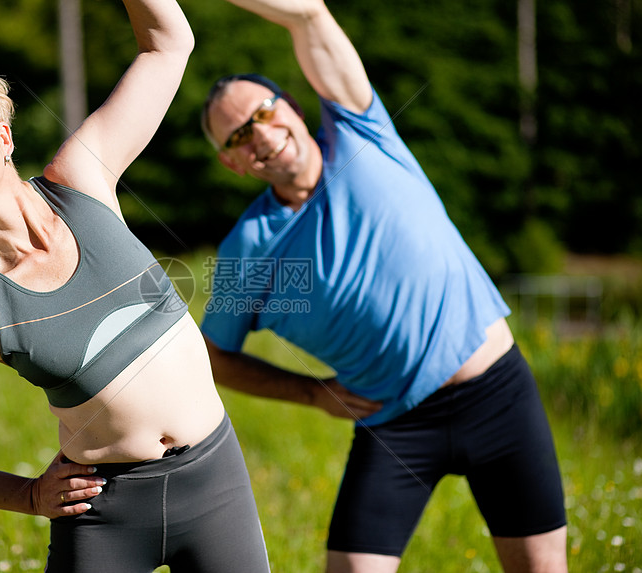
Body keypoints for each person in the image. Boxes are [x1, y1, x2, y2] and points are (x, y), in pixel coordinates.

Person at [0, 1, 270, 571]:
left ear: (4, 135)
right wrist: (30, 496)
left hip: (217, 484)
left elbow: (168, 44)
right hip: (106, 517)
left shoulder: (83, 177)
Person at [199, 1, 568, 572]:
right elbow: (214, 357)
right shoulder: (250, 249)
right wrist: (311, 394)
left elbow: (311, 17)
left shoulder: (360, 133)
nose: (260, 137)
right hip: (395, 425)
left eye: (264, 114)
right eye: (238, 138)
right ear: (233, 165)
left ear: (293, 107)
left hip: (497, 393)